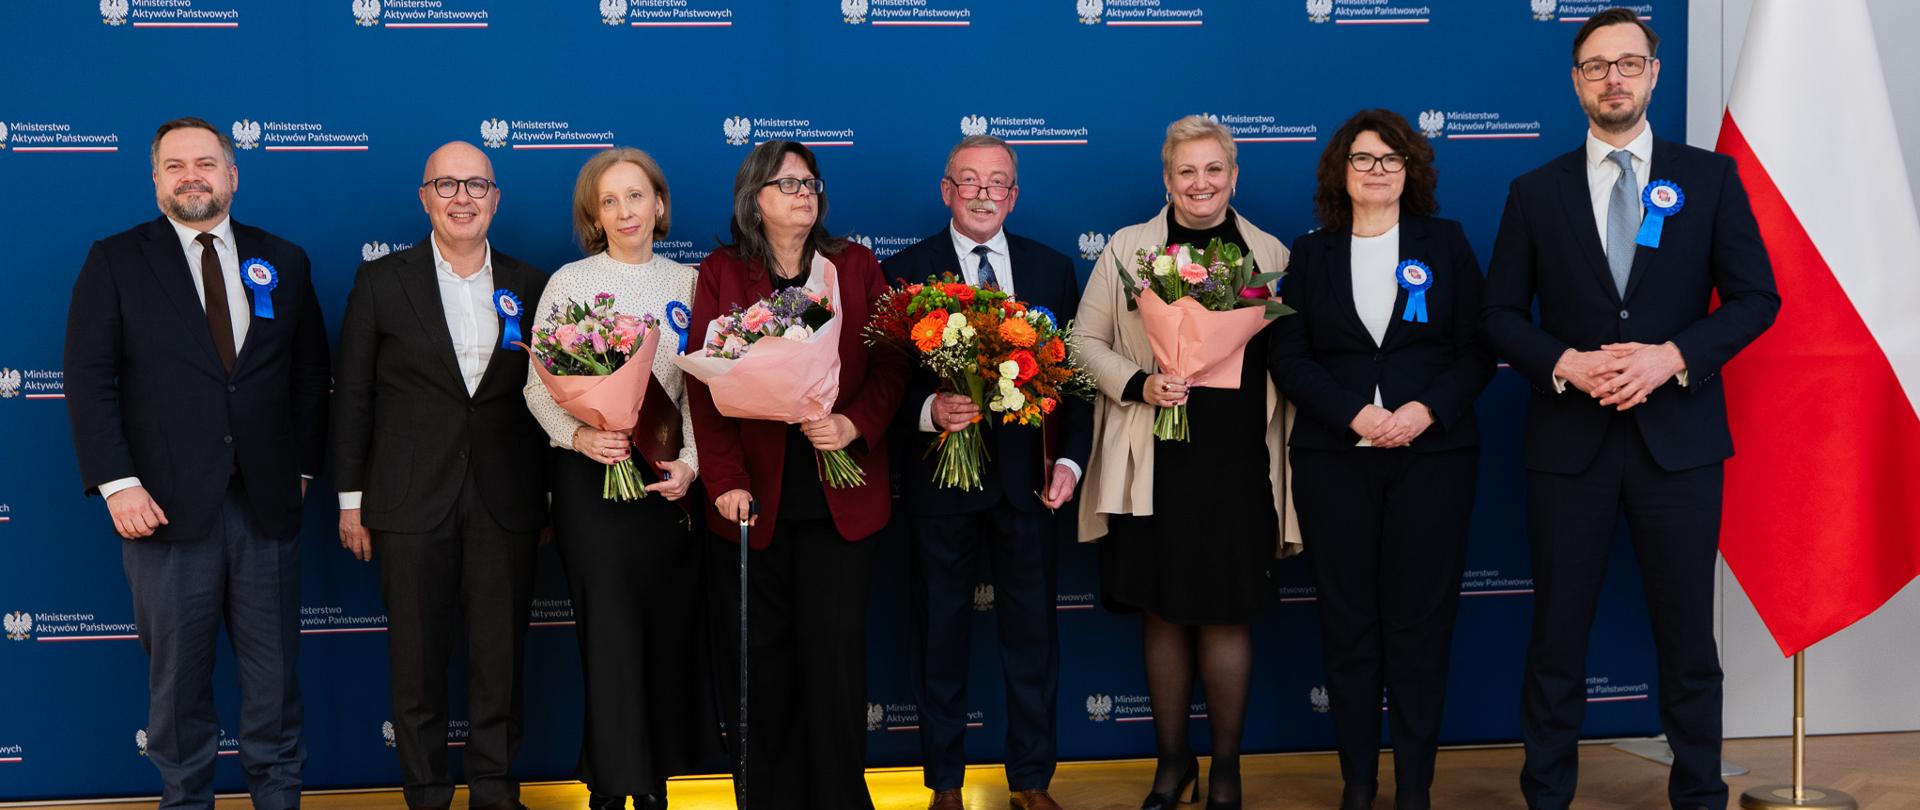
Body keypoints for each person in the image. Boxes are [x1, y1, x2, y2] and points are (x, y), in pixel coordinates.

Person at [1480, 10, 1780, 810]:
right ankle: (1547, 795)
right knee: (1557, 638)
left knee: (1687, 638)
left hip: (1677, 445)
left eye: (1628, 63)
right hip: (1567, 446)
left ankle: (1700, 794)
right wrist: (1565, 362)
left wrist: (1672, 356)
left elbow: (1757, 299)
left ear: (1653, 73)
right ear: (1575, 82)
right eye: (1594, 66)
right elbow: (1499, 315)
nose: (1613, 78)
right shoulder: (1533, 192)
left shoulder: (1708, 179)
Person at [63, 116, 329, 810]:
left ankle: (279, 800)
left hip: (266, 509)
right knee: (178, 686)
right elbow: (90, 379)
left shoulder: (286, 259)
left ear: (232, 175)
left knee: (274, 686)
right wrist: (118, 484)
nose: (192, 177)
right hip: (164, 511)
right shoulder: (116, 260)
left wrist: (300, 469)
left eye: (206, 164)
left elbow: (307, 377)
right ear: (156, 182)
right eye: (175, 166)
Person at [1267, 109, 1495, 810]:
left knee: (1421, 626)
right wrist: (1354, 412)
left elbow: (1479, 347)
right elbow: (1287, 354)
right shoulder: (1311, 255)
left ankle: (1415, 789)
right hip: (1335, 461)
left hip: (1433, 461)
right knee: (1348, 624)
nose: (1376, 170)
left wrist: (1423, 412)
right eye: (1363, 159)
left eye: (1390, 159)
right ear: (1342, 170)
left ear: (1411, 170)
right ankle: (1359, 785)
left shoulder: (1446, 243)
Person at [1074, 115, 1301, 810]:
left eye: (1213, 170)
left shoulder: (1271, 255)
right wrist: (1143, 383)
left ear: (1234, 177)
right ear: (1166, 179)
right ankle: (1173, 764)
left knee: (1228, 614)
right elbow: (1083, 342)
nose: (1200, 184)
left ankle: (1226, 767)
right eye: (1186, 172)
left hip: (1236, 463)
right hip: (1154, 458)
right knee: (1163, 614)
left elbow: (1285, 362)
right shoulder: (1128, 249)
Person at [684, 140, 908, 809]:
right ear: (755, 197)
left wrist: (852, 426)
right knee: (761, 669)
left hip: (840, 499)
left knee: (834, 670)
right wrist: (723, 480)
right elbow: (704, 383)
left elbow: (894, 362)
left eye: (811, 183)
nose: (804, 194)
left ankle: (840, 799)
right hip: (754, 505)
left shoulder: (856, 265)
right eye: (787, 184)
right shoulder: (724, 272)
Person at [331, 142, 552, 810]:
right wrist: (350, 500)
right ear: (424, 197)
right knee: (417, 666)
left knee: (500, 661)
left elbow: (550, 394)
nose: (463, 197)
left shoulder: (531, 283)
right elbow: (354, 397)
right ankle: (426, 793)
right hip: (405, 501)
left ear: (496, 198)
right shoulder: (381, 281)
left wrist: (544, 497)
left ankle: (494, 790)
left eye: (477, 184)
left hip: (505, 501)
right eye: (447, 185)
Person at [881, 135, 1091, 810]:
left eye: (996, 183)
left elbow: (1075, 383)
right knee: (939, 636)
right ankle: (944, 783)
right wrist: (927, 411)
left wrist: (1067, 460)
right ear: (946, 191)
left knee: (1033, 639)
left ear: (1014, 196)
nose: (982, 194)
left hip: (1027, 487)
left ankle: (1031, 780)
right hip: (939, 487)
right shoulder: (904, 273)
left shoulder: (1053, 270)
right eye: (968, 181)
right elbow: (880, 389)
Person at [526, 147, 719, 810]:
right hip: (593, 485)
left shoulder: (691, 285)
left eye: (635, 196)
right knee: (609, 643)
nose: (624, 211)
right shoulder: (570, 282)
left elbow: (703, 394)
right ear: (594, 214)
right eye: (608, 201)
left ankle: (655, 782)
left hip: (664, 490)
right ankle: (612, 787)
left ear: (659, 205)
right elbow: (537, 387)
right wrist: (580, 435)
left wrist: (691, 464)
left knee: (665, 641)